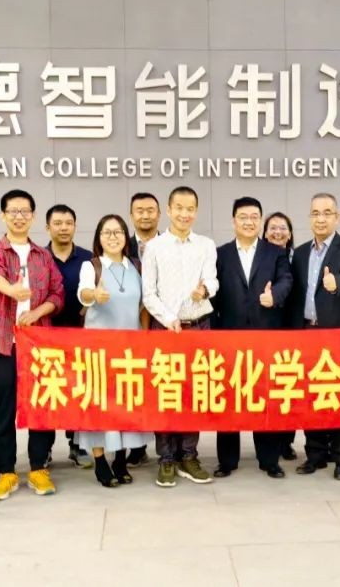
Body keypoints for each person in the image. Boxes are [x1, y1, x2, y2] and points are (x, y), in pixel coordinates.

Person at [0, 189, 65, 500]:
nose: (19, 217)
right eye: (13, 212)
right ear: (3, 216)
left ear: (33, 216)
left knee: (41, 406)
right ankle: (6, 471)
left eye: (25, 212)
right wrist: (12, 291)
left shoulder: (43, 255)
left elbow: (58, 293)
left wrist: (37, 312)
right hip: (4, 342)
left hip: (39, 342)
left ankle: (38, 468)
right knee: (3, 408)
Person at [141, 185, 218, 488]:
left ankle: (189, 456)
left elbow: (213, 279)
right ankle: (166, 458)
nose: (185, 214)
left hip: (198, 326)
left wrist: (205, 290)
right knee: (166, 393)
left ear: (196, 211)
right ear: (169, 210)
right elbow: (149, 294)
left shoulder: (206, 245)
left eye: (190, 209)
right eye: (179, 208)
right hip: (165, 328)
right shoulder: (154, 248)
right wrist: (168, 319)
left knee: (193, 392)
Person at [211, 197, 293, 480]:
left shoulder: (275, 252)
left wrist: (275, 296)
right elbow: (213, 292)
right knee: (229, 399)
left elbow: (286, 280)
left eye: (254, 217)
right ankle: (227, 461)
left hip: (265, 336)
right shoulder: (220, 254)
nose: (249, 222)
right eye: (243, 217)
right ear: (233, 221)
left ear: (260, 220)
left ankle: (269, 460)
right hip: (229, 337)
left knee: (264, 398)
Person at [74, 215, 154, 487]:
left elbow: (143, 307)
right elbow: (83, 293)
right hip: (98, 350)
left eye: (118, 232)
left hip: (129, 350)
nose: (113, 237)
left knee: (123, 405)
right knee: (99, 406)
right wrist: (94, 295)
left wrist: (144, 339)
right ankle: (100, 461)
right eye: (106, 232)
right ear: (99, 238)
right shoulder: (91, 265)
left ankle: (120, 459)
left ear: (125, 236)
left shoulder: (136, 266)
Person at [286, 193, 340, 481]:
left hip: (336, 334)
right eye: (315, 213)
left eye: (327, 213)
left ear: (336, 218)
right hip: (306, 333)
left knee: (337, 396)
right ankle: (315, 454)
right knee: (310, 396)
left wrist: (335, 282)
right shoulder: (300, 253)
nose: (321, 219)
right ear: (310, 218)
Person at [44, 204, 94, 469]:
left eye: (68, 223)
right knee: (49, 393)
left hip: (81, 336)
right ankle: (45, 448)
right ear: (47, 227)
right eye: (58, 223)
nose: (63, 228)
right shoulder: (39, 257)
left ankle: (78, 444)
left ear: (75, 226)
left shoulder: (89, 259)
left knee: (79, 392)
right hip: (46, 338)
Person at [125, 192, 161, 468]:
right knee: (134, 388)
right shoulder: (119, 245)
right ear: (131, 215)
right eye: (140, 210)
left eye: (150, 210)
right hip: (129, 328)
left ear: (159, 214)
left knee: (162, 386)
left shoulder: (171, 244)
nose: (145, 215)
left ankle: (167, 445)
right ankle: (136, 447)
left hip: (163, 328)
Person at [262, 211, 298, 461]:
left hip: (294, 330)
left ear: (290, 233)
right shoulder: (261, 258)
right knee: (269, 389)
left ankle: (286, 442)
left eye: (282, 227)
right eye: (272, 228)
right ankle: (271, 442)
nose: (277, 232)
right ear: (265, 233)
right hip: (268, 331)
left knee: (290, 388)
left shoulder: (299, 257)